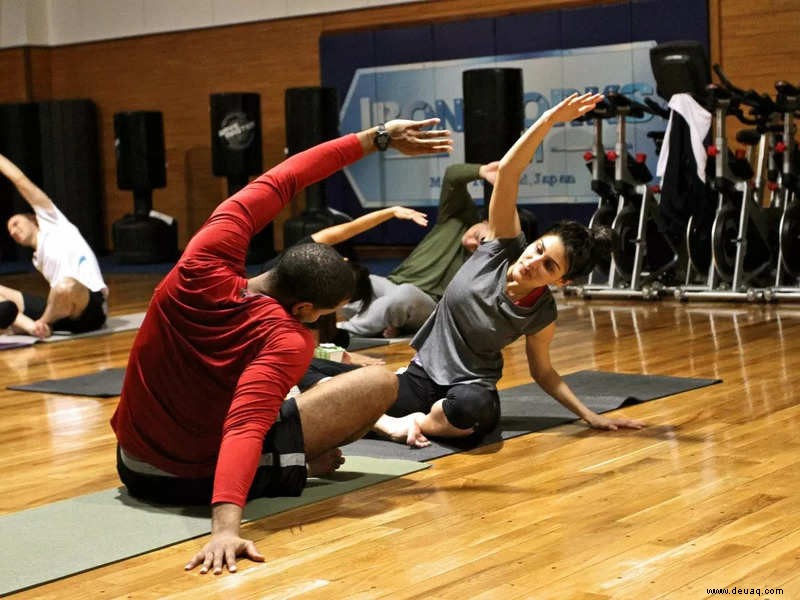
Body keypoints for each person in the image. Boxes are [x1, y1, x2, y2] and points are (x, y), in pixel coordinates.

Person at [110, 117, 452, 575]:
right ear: (307, 307)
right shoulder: (285, 337)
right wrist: (225, 528)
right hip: (184, 480)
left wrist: (378, 137)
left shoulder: (204, 254)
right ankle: (293, 462)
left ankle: (294, 459)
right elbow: (245, 425)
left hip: (130, 460)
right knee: (376, 383)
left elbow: (287, 175)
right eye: (328, 312)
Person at [371, 93, 645, 448]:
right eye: (539, 249)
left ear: (560, 281)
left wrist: (589, 415)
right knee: (343, 392)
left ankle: (414, 423)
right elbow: (509, 172)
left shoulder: (541, 312)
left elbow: (543, 372)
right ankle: (400, 419)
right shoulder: (502, 244)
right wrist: (548, 119)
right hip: (421, 375)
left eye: (548, 265)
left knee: (472, 409)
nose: (533, 261)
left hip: (469, 388)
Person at [338, 161, 523, 338]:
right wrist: (481, 171)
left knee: (404, 295)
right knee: (358, 279)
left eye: (482, 247)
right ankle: (386, 320)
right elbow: (452, 176)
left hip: (431, 306)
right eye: (482, 238)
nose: (473, 245)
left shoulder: (489, 259)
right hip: (393, 284)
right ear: (485, 222)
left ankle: (344, 331)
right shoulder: (454, 218)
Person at [0, 152, 107, 339]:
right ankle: (33, 327)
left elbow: (20, 180)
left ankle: (41, 323)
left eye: (16, 223)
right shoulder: (36, 259)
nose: (13, 231)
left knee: (65, 285)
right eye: (10, 231)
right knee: (58, 289)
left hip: (88, 308)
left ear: (33, 218)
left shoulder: (53, 221)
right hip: (60, 310)